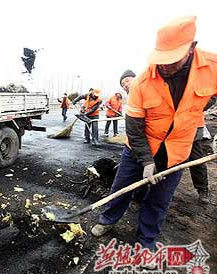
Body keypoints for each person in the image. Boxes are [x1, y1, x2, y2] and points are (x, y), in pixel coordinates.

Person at [91, 16, 217, 252]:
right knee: (121, 187)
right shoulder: (142, 83)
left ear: (191, 48)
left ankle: (146, 240)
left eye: (172, 60)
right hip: (139, 147)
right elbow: (134, 127)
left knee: (159, 200)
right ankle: (107, 220)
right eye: (162, 59)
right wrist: (147, 161)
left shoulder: (212, 68)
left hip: (177, 152)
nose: (165, 66)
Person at [119, 67, 215, 204]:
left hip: (190, 128)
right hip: (163, 135)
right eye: (123, 85)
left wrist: (192, 109)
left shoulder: (169, 82)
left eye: (127, 81)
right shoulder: (138, 92)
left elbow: (210, 95)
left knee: (195, 159)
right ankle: (142, 192)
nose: (126, 85)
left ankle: (202, 189)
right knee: (148, 161)